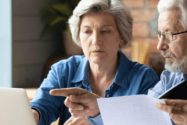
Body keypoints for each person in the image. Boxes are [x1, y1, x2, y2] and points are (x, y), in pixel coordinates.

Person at [51, 0, 187, 125]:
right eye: (159, 35)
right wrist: (99, 109)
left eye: (169, 35)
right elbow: (141, 117)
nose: (160, 46)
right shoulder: (170, 80)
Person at [30, 0, 159, 125]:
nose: (95, 40)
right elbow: (41, 108)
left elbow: (154, 121)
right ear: (79, 36)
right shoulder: (63, 71)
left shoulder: (144, 78)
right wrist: (33, 115)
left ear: (121, 36)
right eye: (87, 31)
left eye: (105, 31)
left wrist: (99, 120)